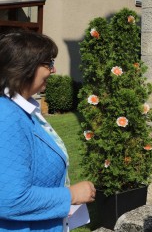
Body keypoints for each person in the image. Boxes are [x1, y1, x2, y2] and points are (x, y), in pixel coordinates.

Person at [0, 31, 96, 232]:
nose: (53, 70)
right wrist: (71, 195)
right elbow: (9, 199)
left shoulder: (24, 108)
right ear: (25, 66)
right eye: (48, 63)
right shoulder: (7, 115)